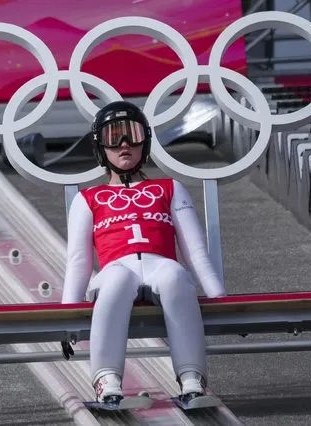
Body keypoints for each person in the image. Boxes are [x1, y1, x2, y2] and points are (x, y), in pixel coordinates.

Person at [60, 100, 227, 405]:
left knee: (176, 274)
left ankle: (192, 378)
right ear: (100, 147)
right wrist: (66, 315)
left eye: (132, 134)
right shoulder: (89, 198)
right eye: (114, 137)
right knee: (116, 281)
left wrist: (219, 298)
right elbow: (79, 261)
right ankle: (107, 380)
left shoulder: (169, 188)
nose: (124, 144)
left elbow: (195, 252)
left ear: (145, 141)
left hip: (159, 266)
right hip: (115, 270)